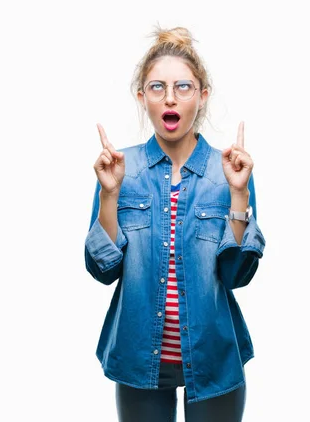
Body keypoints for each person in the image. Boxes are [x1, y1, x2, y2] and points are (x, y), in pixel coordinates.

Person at [84, 26, 266, 422]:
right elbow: (103, 269)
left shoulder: (230, 171)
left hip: (213, 358)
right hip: (138, 358)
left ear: (202, 97)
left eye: (183, 87)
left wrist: (239, 195)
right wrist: (109, 196)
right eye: (157, 87)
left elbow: (236, 275)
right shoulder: (119, 169)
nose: (170, 97)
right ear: (141, 97)